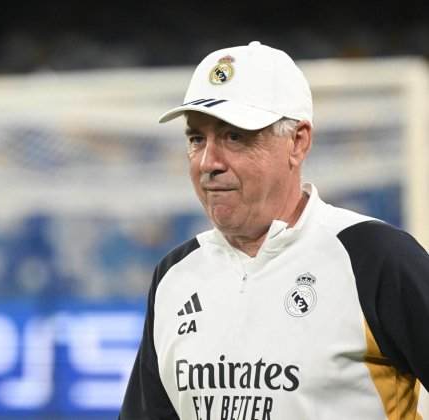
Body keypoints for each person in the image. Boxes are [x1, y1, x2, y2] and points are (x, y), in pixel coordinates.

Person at [119, 41, 429, 419]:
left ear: (297, 142)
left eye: (234, 136)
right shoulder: (175, 275)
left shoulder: (375, 258)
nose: (208, 162)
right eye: (196, 138)